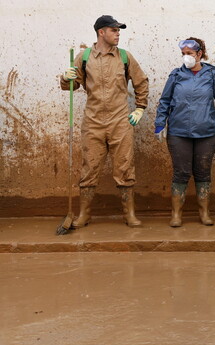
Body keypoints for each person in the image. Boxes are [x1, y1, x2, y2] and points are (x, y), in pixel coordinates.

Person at [60, 15, 149, 228]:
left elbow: (141, 82)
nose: (118, 34)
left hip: (120, 120)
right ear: (102, 32)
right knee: (89, 167)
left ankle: (129, 215)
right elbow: (71, 88)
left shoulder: (125, 57)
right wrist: (66, 78)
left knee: (125, 167)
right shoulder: (84, 57)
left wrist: (140, 108)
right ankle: (84, 215)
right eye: (114, 30)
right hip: (93, 121)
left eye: (118, 31)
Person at [154, 38, 215, 228]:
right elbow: (164, 101)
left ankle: (204, 213)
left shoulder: (212, 74)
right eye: (183, 54)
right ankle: (176, 214)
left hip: (206, 131)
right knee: (181, 173)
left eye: (189, 53)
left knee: (203, 173)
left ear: (199, 54)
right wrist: (160, 124)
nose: (186, 57)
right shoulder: (176, 75)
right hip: (179, 132)